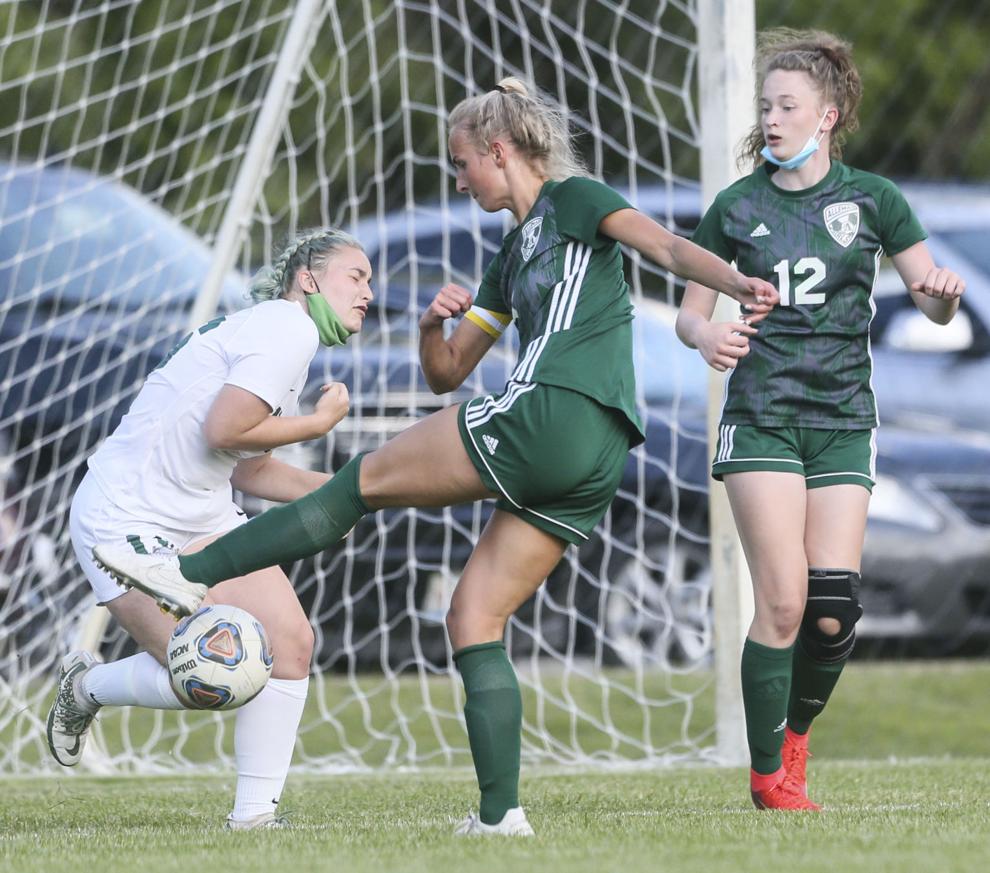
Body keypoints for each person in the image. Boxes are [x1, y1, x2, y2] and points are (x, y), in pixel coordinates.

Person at [94, 77, 778, 836]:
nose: (456, 180)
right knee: (473, 615)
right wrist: (429, 327)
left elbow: (668, 245)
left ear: (498, 150)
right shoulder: (511, 257)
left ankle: (184, 572)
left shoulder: (577, 197)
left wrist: (736, 281)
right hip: (597, 455)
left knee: (358, 483)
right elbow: (447, 372)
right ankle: (500, 818)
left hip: (553, 413)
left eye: (461, 163)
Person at [674, 29, 965, 811]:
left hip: (842, 417)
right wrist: (710, 334)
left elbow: (934, 308)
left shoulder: (875, 200)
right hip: (763, 418)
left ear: (827, 116)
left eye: (788, 105)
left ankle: (795, 737)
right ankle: (768, 776)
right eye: (766, 105)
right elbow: (690, 315)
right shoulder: (736, 207)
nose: (771, 117)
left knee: (833, 611)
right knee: (783, 600)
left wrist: (940, 291)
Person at [47, 228, 373, 829]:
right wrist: (318, 425)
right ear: (308, 279)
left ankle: (253, 820)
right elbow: (223, 431)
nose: (368, 292)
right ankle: (88, 685)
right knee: (209, 675)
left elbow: (249, 467)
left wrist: (353, 493)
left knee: (291, 647)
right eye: (356, 276)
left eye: (370, 281)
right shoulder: (288, 328)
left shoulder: (282, 332)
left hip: (202, 516)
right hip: (125, 519)